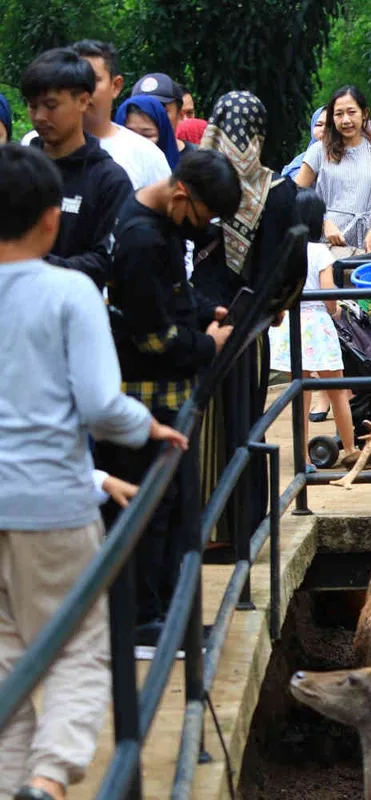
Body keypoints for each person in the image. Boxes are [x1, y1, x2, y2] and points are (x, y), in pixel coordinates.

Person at [0, 142, 188, 800]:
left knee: (4, 662)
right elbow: (103, 407)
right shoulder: (68, 290)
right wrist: (147, 427)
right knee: (81, 643)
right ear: (53, 219)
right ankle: (49, 780)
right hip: (51, 503)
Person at [95, 149, 242, 643]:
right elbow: (154, 335)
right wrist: (209, 343)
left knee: (170, 510)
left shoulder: (158, 224)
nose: (203, 227)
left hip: (163, 394)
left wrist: (206, 310)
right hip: (145, 397)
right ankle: (142, 621)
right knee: (148, 513)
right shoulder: (140, 238)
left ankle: (162, 614)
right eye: (204, 217)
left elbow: (171, 296)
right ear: (183, 194)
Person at [191, 91, 302, 547]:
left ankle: (202, 528)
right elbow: (292, 264)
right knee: (244, 425)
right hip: (251, 327)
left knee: (200, 424)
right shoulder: (280, 192)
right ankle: (242, 529)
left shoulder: (197, 183)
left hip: (200, 323)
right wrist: (276, 307)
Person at [21, 47, 132, 291]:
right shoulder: (17, 169)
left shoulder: (109, 180)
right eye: (32, 106)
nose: (39, 116)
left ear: (83, 101)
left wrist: (32, 264)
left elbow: (105, 262)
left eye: (51, 106)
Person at [268, 188, 359, 471]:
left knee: (301, 393)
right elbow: (329, 294)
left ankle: (302, 458)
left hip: (292, 325)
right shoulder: (320, 252)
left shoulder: (283, 249)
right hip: (317, 327)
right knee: (337, 390)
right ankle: (352, 450)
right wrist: (337, 311)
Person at [296, 86, 371, 253]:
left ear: (364, 114)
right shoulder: (318, 151)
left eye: (351, 112)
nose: (345, 120)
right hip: (323, 244)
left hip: (364, 244)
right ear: (332, 118)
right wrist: (323, 222)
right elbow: (296, 193)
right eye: (339, 114)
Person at [68, 41, 171, 191]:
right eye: (74, 80)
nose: (83, 90)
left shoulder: (147, 155)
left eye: (92, 80)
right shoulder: (37, 145)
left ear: (116, 86)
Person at [115, 95, 180, 170]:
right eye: (130, 134)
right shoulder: (104, 173)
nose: (138, 142)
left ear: (163, 136)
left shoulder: (181, 176)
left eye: (147, 135)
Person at [131, 72, 187, 156]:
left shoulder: (197, 162)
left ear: (180, 115)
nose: (150, 116)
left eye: (160, 110)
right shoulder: (120, 158)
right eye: (140, 110)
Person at [282, 107, 325, 180]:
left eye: (331, 125)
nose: (324, 129)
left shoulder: (348, 160)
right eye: (319, 125)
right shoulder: (299, 163)